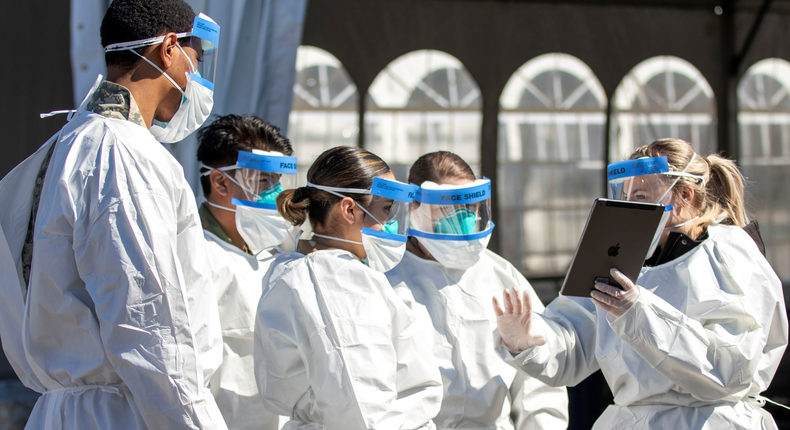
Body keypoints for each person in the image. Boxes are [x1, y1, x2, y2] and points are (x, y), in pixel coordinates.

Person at [0, 0, 226, 428]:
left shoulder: (67, 144)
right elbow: (148, 326)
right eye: (197, 59)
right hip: (125, 411)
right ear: (170, 48)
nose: (197, 76)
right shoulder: (122, 154)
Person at [493, 138, 788, 429]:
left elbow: (730, 370)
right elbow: (575, 335)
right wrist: (529, 339)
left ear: (684, 194)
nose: (629, 206)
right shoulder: (621, 257)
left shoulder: (728, 252)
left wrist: (639, 313)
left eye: (643, 196)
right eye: (626, 194)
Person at [254, 146, 443, 429]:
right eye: (387, 210)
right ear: (350, 209)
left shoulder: (296, 269)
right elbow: (363, 410)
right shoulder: (338, 281)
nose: (390, 224)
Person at [385, 151, 569, 430]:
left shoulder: (501, 275)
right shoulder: (387, 280)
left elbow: (539, 382)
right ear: (414, 208)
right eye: (447, 209)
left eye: (469, 208)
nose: (462, 220)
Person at [196, 114, 297, 429]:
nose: (276, 195)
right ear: (221, 182)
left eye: (279, 182)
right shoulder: (194, 257)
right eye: (263, 181)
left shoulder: (275, 258)